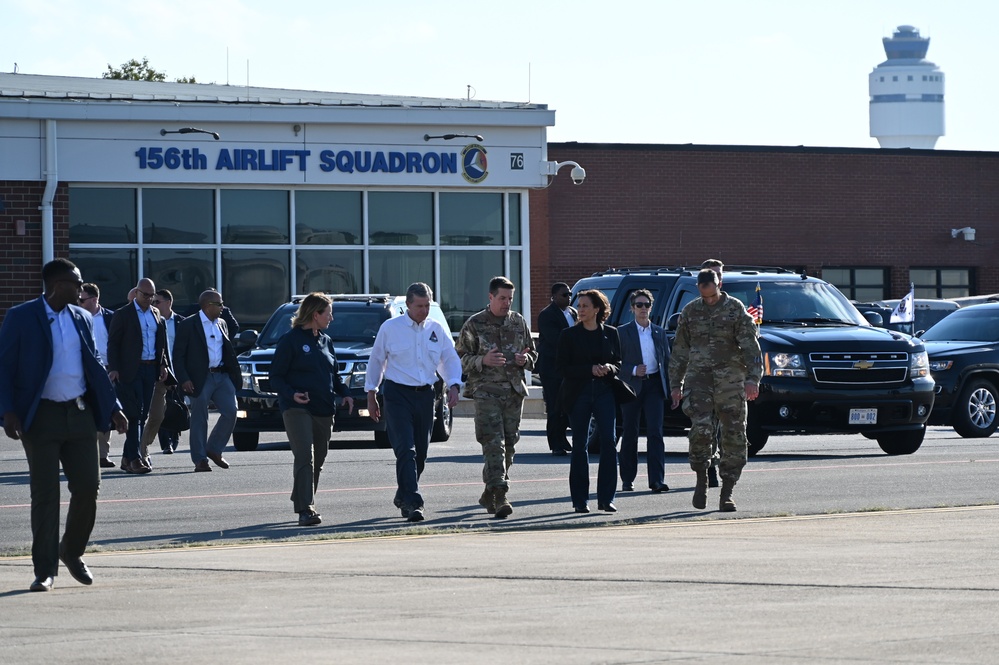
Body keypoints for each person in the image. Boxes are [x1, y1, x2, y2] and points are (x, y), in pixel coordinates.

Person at [0, 258, 127, 592]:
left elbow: (95, 365)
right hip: (40, 418)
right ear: (58, 286)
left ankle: (71, 551)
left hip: (80, 413)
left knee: (88, 487)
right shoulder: (21, 317)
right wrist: (7, 411)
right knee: (46, 494)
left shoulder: (82, 317)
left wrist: (113, 406)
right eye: (77, 283)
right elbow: (4, 367)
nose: (83, 289)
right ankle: (45, 570)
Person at [365, 282, 462, 523]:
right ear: (407, 305)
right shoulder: (391, 328)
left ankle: (403, 493)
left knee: (421, 453)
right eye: (419, 305)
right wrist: (371, 394)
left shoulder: (436, 329)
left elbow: (449, 359)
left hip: (425, 395)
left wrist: (454, 385)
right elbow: (376, 361)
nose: (424, 310)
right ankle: (413, 503)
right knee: (405, 450)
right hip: (397, 395)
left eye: (427, 305)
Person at [669, 269, 763, 512]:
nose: (706, 295)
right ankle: (702, 478)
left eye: (710, 289)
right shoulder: (691, 311)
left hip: (730, 381)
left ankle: (727, 491)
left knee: (733, 434)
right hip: (698, 379)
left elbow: (751, 348)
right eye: (702, 290)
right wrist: (675, 385)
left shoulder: (735, 309)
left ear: (719, 284)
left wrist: (753, 379)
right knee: (701, 429)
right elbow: (679, 351)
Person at [268, 293, 355, 526]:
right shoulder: (290, 340)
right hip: (296, 407)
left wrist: (345, 394)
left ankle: (301, 497)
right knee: (305, 455)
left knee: (318, 460)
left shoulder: (326, 341)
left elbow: (334, 375)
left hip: (324, 408)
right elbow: (275, 377)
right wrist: (291, 393)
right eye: (328, 314)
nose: (332, 318)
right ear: (315, 314)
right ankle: (306, 508)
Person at [456, 276, 537, 518]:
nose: (506, 303)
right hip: (486, 392)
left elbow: (532, 352)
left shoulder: (518, 321)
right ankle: (501, 494)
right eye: (502, 298)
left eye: (510, 299)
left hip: (513, 392)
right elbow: (458, 359)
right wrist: (483, 360)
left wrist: (526, 360)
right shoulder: (475, 324)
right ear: (490, 297)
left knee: (509, 446)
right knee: (493, 444)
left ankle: (489, 492)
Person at [556, 289, 622, 514]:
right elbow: (562, 367)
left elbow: (618, 362)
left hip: (605, 392)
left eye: (585, 306)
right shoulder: (569, 335)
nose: (580, 309)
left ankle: (606, 499)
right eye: (579, 306)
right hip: (579, 393)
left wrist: (609, 368)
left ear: (597, 309)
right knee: (579, 445)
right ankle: (580, 500)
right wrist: (589, 369)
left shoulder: (611, 333)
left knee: (609, 443)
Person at [173, 289, 241, 472]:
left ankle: (214, 448)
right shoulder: (189, 324)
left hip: (221, 375)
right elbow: (178, 355)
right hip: (199, 377)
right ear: (207, 305)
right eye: (219, 304)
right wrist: (184, 379)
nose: (223, 307)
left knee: (231, 411)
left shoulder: (222, 323)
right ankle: (200, 459)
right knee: (199, 417)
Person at [107, 278, 170, 474]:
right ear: (136, 293)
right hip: (129, 370)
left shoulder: (155, 313)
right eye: (145, 295)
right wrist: (114, 368)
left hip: (150, 369)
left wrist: (163, 364)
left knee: (143, 414)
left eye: (152, 296)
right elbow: (113, 343)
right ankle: (134, 459)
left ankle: (127, 457)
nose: (149, 299)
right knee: (134, 414)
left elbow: (161, 342)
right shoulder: (123, 314)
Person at [617, 289, 671, 493]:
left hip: (654, 386)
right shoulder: (622, 332)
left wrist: (674, 388)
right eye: (639, 305)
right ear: (632, 308)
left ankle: (656, 480)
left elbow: (667, 362)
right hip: (631, 386)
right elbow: (614, 362)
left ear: (651, 307)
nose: (643, 309)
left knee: (656, 432)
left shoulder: (658, 332)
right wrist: (632, 369)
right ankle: (627, 479)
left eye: (646, 305)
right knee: (630, 432)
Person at [140, 289, 185, 456]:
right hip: (159, 371)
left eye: (157, 301)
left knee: (174, 407)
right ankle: (165, 443)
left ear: (168, 303)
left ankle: (174, 439)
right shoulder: (153, 320)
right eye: (154, 301)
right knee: (159, 409)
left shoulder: (181, 322)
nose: (154, 304)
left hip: (177, 371)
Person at [79, 283, 117, 468]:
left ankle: (103, 455)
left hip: (109, 371)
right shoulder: (76, 318)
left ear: (94, 299)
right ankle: (87, 454)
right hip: (84, 371)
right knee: (86, 412)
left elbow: (119, 344)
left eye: (82, 299)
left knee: (107, 410)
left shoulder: (111, 317)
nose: (79, 302)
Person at [537, 282, 576, 456]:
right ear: (554, 296)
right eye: (564, 295)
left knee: (567, 406)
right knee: (554, 406)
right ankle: (555, 443)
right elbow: (556, 339)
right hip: (552, 368)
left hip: (569, 368)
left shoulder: (573, 313)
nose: (568, 298)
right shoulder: (547, 315)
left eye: (569, 294)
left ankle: (563, 438)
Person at [700, 258, 726, 489]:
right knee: (707, 428)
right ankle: (709, 471)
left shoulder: (734, 305)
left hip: (728, 380)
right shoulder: (695, 308)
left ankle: (724, 469)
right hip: (704, 381)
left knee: (726, 429)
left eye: (718, 274)